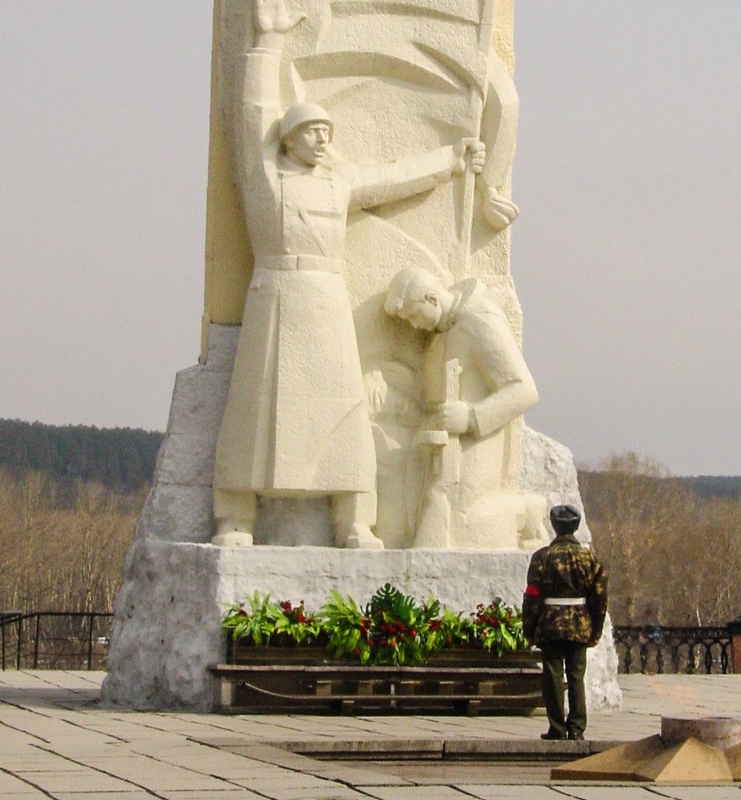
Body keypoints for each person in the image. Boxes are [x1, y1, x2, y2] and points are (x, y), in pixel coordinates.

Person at [211, 0, 487, 550]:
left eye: (325, 130)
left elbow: (393, 179)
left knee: (344, 409)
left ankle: (353, 521)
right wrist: (267, 44)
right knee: (255, 412)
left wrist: (451, 160)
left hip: (327, 302)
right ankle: (235, 517)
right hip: (275, 298)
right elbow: (251, 114)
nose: (321, 139)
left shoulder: (339, 184)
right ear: (287, 137)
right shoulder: (264, 178)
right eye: (310, 129)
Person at [381, 267, 544, 549]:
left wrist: (471, 417)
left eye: (415, 315)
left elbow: (524, 389)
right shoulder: (439, 334)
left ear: (432, 299)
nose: (416, 326)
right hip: (436, 449)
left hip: (474, 447)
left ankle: (525, 512)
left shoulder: (479, 321)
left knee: (460, 528)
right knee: (415, 522)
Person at [522, 504, 608, 741]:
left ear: (555, 526)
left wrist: (529, 628)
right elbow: (599, 598)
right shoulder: (589, 558)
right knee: (576, 676)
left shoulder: (542, 557)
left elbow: (533, 596)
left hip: (549, 624)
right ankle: (577, 727)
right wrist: (595, 629)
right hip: (579, 624)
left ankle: (557, 728)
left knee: (552, 678)